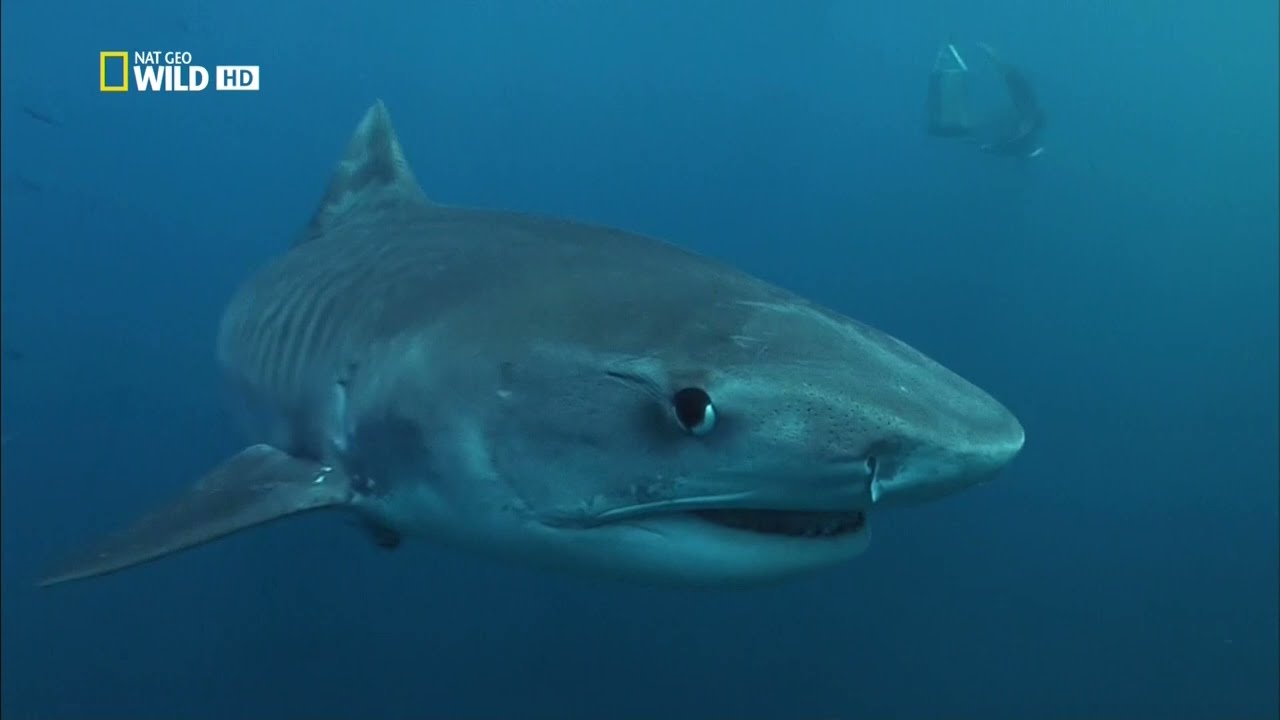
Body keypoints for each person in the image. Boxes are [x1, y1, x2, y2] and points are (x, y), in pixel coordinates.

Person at [926, 41, 1045, 158]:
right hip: (1010, 131)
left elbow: (1015, 82)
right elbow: (1016, 82)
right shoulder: (1026, 111)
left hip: (1006, 134)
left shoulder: (1022, 123)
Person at [973, 42, 1046, 158]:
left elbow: (1013, 141)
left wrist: (990, 147)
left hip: (1022, 112)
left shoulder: (1026, 119)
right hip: (1023, 104)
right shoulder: (1027, 107)